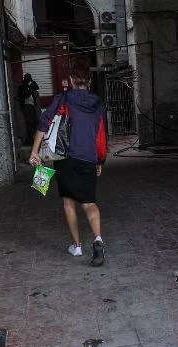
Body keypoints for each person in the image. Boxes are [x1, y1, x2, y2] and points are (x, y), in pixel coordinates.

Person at [29, 63, 108, 267]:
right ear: (89, 81)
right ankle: (98, 239)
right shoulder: (98, 104)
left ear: (72, 80)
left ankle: (77, 246)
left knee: (69, 202)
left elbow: (43, 124)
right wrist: (100, 159)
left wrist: (35, 152)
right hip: (88, 158)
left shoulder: (63, 99)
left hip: (65, 157)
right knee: (89, 203)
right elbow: (100, 134)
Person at [17, 73, 39, 145]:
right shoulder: (22, 86)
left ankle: (33, 139)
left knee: (35, 123)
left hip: (32, 106)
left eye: (30, 78)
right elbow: (26, 95)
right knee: (29, 124)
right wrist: (29, 87)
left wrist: (32, 83)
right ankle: (29, 140)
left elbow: (37, 87)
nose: (29, 80)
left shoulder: (30, 85)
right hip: (26, 106)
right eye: (28, 78)